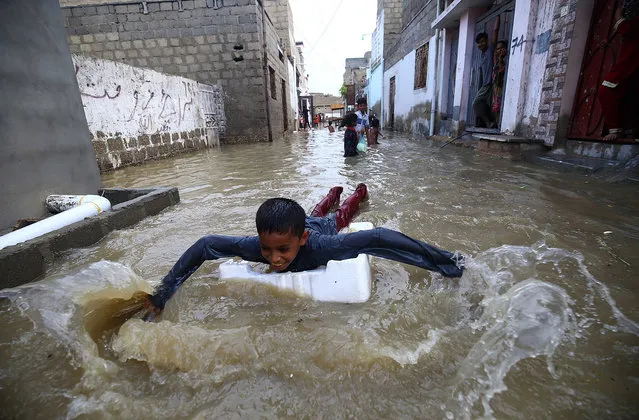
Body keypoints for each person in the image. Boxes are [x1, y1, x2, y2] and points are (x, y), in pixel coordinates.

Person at [142, 185, 464, 318]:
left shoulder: (321, 245)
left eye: (282, 250)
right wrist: (163, 292)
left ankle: (354, 192)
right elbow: (206, 244)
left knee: (337, 216)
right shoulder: (260, 247)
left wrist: (446, 263)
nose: (274, 258)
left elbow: (376, 238)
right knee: (315, 209)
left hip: (319, 228)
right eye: (267, 250)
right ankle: (332, 191)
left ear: (301, 241)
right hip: (303, 222)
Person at [597, 5, 639, 141]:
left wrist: (618, 16)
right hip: (631, 61)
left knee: (606, 90)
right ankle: (628, 130)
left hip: (631, 60)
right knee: (629, 95)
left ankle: (616, 130)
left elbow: (626, 29)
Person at [472, 16, 500, 128]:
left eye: (483, 42)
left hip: (490, 82)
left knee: (476, 103)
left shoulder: (490, 49)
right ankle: (486, 122)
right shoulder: (482, 54)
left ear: (487, 41)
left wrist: (497, 15)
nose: (481, 44)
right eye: (479, 43)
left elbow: (495, 31)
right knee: (484, 104)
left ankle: (488, 123)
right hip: (486, 84)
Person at [491, 40, 508, 125]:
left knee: (500, 105)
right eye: (498, 49)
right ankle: (496, 123)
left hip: (501, 86)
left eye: (502, 48)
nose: (500, 50)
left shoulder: (505, 60)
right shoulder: (496, 60)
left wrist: (501, 59)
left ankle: (499, 124)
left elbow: (500, 75)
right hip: (495, 87)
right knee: (495, 105)